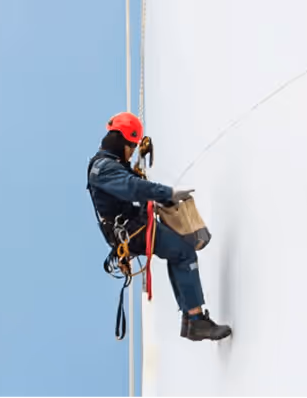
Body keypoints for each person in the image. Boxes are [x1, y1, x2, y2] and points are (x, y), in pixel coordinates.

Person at [87, 112, 232, 341]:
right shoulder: (103, 168)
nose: (133, 151)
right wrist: (168, 194)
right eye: (131, 146)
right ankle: (195, 320)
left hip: (133, 227)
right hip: (131, 233)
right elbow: (132, 187)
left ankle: (192, 320)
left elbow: (131, 188)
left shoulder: (110, 165)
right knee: (183, 253)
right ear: (121, 141)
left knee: (180, 254)